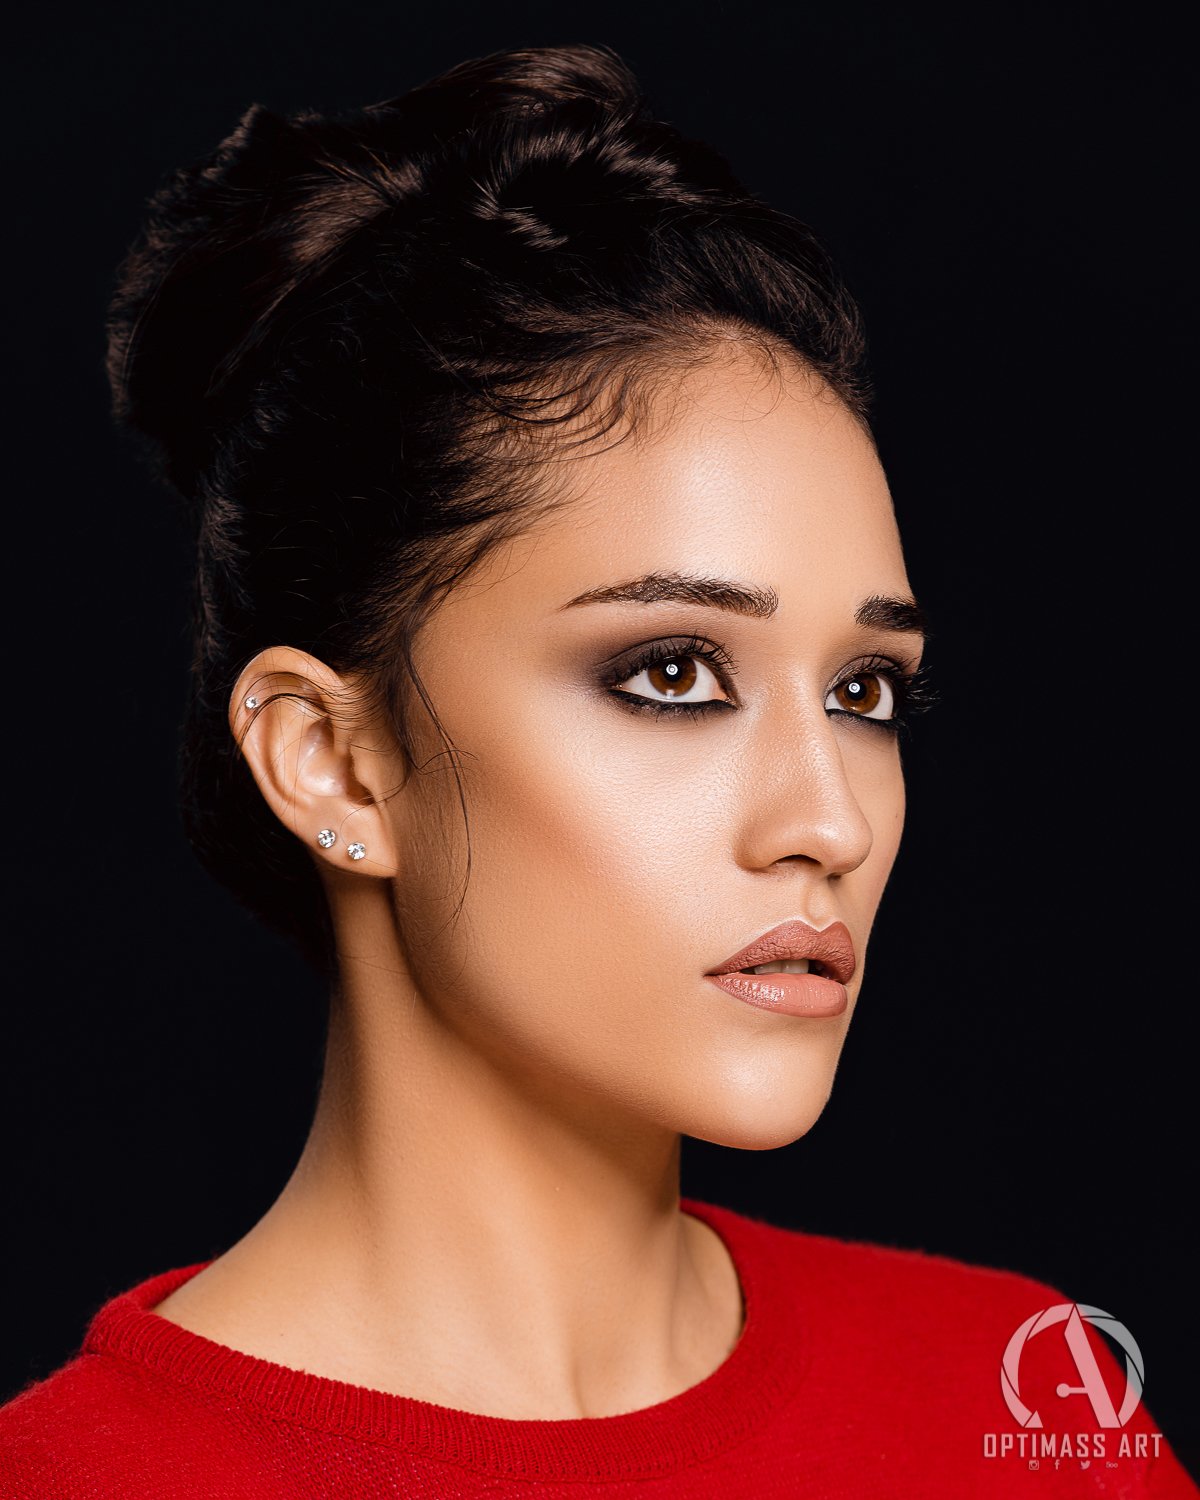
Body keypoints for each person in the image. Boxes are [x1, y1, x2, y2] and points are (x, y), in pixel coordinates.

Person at [1, 41, 1193, 1499]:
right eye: (675, 673)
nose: (827, 818)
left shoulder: (1030, 1405)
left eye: (865, 689)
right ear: (335, 766)